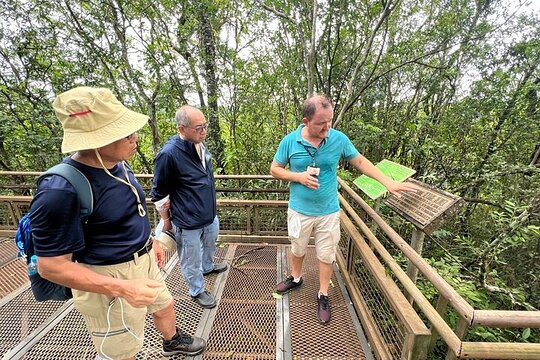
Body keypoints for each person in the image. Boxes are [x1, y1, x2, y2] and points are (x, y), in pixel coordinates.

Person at [30, 87, 206, 359]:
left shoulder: (116, 163)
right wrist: (122, 288)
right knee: (121, 349)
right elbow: (50, 266)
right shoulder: (59, 191)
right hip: (107, 276)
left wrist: (149, 243)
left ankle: (171, 341)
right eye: (126, 133)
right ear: (97, 140)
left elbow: (126, 210)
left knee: (165, 305)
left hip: (143, 259)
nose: (135, 138)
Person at [270, 94, 418, 324]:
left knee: (326, 254)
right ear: (306, 121)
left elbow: (359, 161)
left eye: (330, 121)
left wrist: (387, 182)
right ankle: (296, 278)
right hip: (299, 209)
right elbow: (275, 169)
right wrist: (297, 177)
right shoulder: (289, 141)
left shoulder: (338, 139)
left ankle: (323, 294)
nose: (327, 127)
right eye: (321, 123)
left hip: (328, 210)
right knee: (297, 247)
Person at [151, 105, 227, 309]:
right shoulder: (169, 154)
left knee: (211, 243)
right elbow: (158, 193)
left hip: (208, 214)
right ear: (181, 129)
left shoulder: (200, 144)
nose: (204, 131)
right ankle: (196, 290)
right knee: (190, 257)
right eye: (198, 128)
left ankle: (208, 267)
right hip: (187, 219)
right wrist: (167, 221)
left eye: (205, 126)